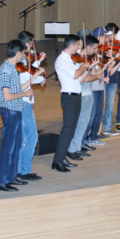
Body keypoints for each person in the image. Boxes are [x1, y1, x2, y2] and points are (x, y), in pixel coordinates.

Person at [0, 39, 45, 192]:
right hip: (9, 112)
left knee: (16, 146)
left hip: (16, 111)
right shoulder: (5, 70)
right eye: (23, 53)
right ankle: (2, 181)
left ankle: (11, 177)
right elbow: (7, 96)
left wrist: (33, 78)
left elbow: (19, 87)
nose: (24, 56)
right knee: (8, 148)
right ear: (17, 53)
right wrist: (25, 93)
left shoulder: (13, 68)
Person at [52, 34, 92, 173]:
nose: (78, 48)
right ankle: (57, 161)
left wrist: (86, 69)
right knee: (67, 129)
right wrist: (83, 67)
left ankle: (62, 157)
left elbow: (78, 80)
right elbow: (75, 74)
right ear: (72, 45)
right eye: (77, 45)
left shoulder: (70, 60)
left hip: (76, 96)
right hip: (68, 98)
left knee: (72, 129)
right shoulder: (61, 61)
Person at [67, 34, 104, 160]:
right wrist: (97, 76)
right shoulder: (78, 59)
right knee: (80, 123)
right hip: (82, 95)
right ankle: (73, 148)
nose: (96, 51)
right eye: (94, 49)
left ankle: (79, 146)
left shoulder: (87, 59)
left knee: (85, 123)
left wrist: (96, 69)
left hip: (89, 94)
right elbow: (85, 79)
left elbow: (92, 74)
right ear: (87, 47)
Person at [16, 31, 46, 182]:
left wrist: (38, 64)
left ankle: (20, 170)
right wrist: (38, 75)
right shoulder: (20, 61)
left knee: (23, 138)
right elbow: (25, 79)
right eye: (31, 43)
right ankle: (23, 170)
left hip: (25, 103)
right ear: (27, 43)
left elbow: (29, 73)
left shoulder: (22, 59)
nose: (32, 46)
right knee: (31, 137)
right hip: (24, 103)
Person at [102, 23, 120, 136]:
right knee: (100, 103)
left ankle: (107, 126)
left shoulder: (117, 44)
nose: (115, 37)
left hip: (113, 76)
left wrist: (116, 59)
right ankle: (97, 127)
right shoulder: (102, 44)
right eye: (114, 34)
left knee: (110, 103)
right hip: (101, 75)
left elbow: (118, 58)